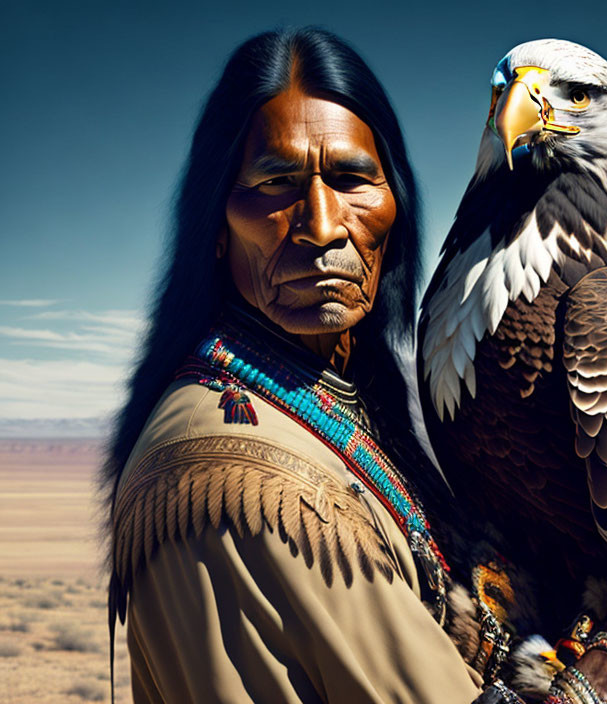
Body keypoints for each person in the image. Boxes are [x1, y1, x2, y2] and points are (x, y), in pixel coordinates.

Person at [102, 28, 483, 703]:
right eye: (276, 182)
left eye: (350, 179)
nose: (323, 224)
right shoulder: (236, 477)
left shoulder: (345, 396)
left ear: (396, 207)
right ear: (216, 227)